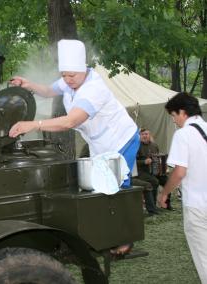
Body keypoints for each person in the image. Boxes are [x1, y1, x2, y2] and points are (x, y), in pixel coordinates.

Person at [9, 39, 139, 255]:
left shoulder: (93, 89)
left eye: (72, 76)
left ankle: (125, 238)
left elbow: (70, 122)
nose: (67, 80)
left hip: (120, 139)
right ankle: (106, 232)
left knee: (117, 187)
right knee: (101, 186)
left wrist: (32, 124)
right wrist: (28, 84)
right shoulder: (69, 79)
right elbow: (50, 91)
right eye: (64, 75)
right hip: (100, 142)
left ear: (83, 69)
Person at [158, 92, 207, 283]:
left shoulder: (183, 134)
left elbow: (179, 172)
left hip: (197, 205)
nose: (174, 121)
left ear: (182, 112)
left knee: (204, 258)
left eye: (173, 116)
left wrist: (164, 193)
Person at [136, 128, 172, 215]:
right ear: (140, 136)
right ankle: (153, 207)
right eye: (143, 134)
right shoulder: (137, 146)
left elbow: (158, 158)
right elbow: (133, 162)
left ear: (150, 135)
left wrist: (163, 166)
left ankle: (166, 205)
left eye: (146, 134)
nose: (145, 136)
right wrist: (144, 161)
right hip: (142, 172)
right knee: (154, 181)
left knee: (167, 182)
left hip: (155, 170)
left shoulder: (154, 145)